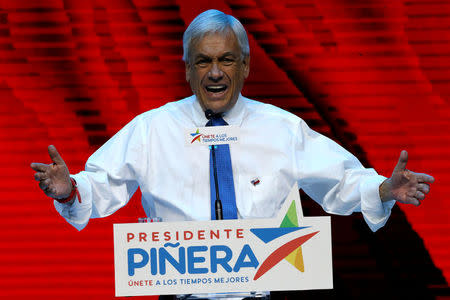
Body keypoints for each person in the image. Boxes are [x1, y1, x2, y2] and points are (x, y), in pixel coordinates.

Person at [30, 9, 434, 233]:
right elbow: (101, 185)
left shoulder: (282, 128)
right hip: (179, 294)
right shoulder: (151, 128)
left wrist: (381, 189)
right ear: (187, 69)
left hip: (263, 290)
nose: (215, 72)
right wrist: (69, 190)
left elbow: (342, 180)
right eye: (203, 61)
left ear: (244, 66)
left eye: (226, 60)